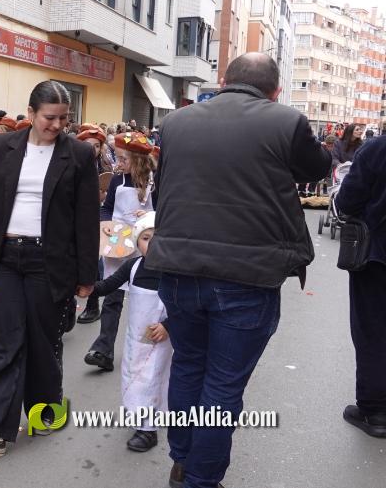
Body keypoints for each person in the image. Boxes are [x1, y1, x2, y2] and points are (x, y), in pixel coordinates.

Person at [147, 53, 331, 488]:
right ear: (275, 91)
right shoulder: (286, 121)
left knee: (189, 367)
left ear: (224, 79)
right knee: (223, 385)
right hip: (247, 275)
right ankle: (200, 479)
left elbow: (165, 188)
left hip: (179, 268)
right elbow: (318, 168)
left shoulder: (176, 123)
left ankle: (183, 459)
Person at [0, 81, 98, 458]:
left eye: (64, 118)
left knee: (43, 342)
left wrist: (86, 277)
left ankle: (45, 410)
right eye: (50, 117)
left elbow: (86, 217)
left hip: (48, 263)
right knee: (2, 344)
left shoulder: (80, 154)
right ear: (31, 114)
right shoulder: (5, 146)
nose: (57, 125)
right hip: (4, 257)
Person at [81, 212, 170, 452]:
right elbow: (108, 285)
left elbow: (184, 304)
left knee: (154, 376)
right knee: (133, 375)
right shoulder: (133, 267)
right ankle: (139, 413)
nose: (151, 243)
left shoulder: (173, 272)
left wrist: (168, 326)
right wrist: (88, 289)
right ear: (137, 242)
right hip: (136, 338)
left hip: (161, 337)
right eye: (146, 237)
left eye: (158, 237)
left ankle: (148, 429)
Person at [81, 132, 156, 365]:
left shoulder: (156, 181)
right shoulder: (116, 180)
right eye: (118, 158)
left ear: (138, 159)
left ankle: (145, 349)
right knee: (112, 297)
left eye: (123, 159)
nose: (118, 163)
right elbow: (107, 207)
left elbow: (166, 209)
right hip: (118, 245)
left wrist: (152, 215)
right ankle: (104, 349)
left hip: (145, 247)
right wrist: (106, 226)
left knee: (144, 299)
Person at [334, 133, 386, 438]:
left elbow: (348, 199)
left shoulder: (377, 149)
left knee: (373, 331)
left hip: (378, 257)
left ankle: (375, 410)